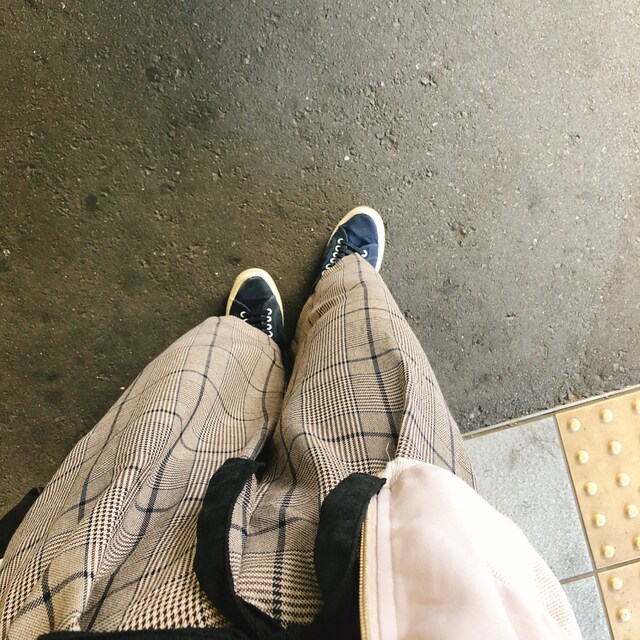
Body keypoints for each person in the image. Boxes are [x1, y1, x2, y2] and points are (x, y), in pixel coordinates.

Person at [0, 207, 581, 639]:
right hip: (405, 606)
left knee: (167, 448)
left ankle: (249, 347)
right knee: (375, 402)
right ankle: (342, 289)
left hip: (139, 619)